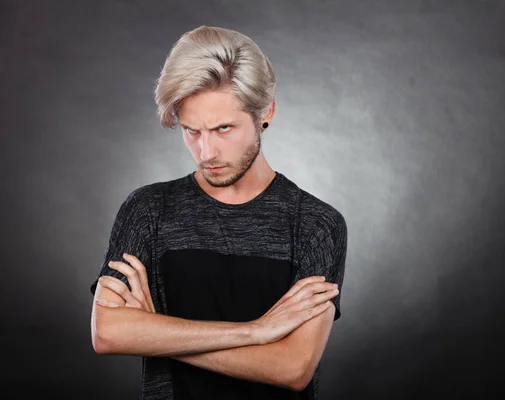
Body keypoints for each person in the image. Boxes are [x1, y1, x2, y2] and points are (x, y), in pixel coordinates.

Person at [89, 25, 347, 400]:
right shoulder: (148, 209)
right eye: (191, 130)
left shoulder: (316, 223)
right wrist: (255, 332)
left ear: (266, 113)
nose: (206, 151)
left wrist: (157, 331)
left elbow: (293, 368)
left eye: (224, 128)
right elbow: (108, 333)